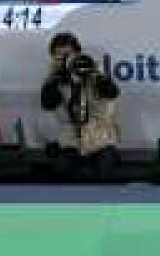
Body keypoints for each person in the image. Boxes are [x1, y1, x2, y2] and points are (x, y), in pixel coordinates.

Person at [39, 32, 121, 182]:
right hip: (72, 141)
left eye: (68, 55)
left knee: (105, 169)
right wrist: (52, 77)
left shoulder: (90, 69)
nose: (65, 60)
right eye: (59, 56)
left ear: (77, 54)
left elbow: (112, 93)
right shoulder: (58, 78)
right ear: (53, 58)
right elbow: (48, 104)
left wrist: (95, 73)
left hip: (100, 139)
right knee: (60, 169)